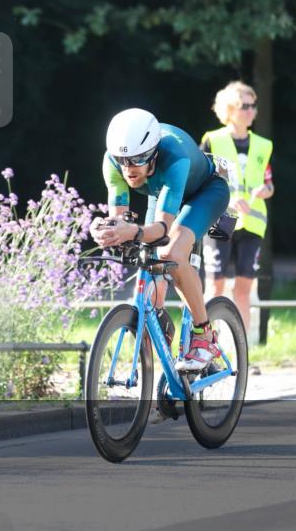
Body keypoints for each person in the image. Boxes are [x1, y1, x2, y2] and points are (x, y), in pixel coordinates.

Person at [90, 108, 230, 372]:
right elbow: (120, 220)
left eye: (137, 159)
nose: (128, 169)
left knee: (171, 253)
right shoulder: (112, 162)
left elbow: (163, 229)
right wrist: (107, 230)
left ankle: (204, 335)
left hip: (205, 192)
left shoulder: (174, 156)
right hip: (163, 192)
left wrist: (132, 231)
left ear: (153, 153)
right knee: (149, 263)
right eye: (122, 160)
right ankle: (160, 329)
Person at [200, 82, 274, 331]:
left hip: (253, 222)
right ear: (230, 109)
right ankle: (204, 341)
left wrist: (266, 190)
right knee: (215, 285)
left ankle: (242, 346)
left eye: (253, 105)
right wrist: (229, 200)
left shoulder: (263, 145)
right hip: (222, 218)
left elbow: (269, 183)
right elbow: (202, 180)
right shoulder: (214, 140)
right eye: (245, 106)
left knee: (244, 289)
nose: (251, 111)